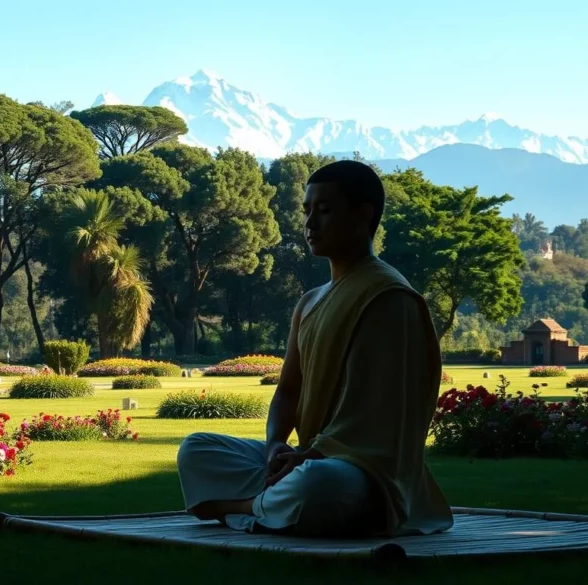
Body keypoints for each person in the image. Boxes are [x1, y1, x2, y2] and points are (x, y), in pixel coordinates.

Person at [176, 160, 454, 538]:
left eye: (323, 211)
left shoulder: (390, 298)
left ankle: (242, 509)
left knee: (318, 485)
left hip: (362, 473)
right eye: (306, 211)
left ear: (362, 216)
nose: (309, 224)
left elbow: (379, 413)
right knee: (197, 449)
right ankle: (273, 505)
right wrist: (276, 445)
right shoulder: (310, 302)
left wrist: (311, 457)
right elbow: (289, 390)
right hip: (306, 458)